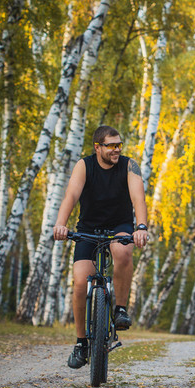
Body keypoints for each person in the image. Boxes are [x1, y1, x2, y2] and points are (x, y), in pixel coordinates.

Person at [53, 125, 149, 369]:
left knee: (122, 251)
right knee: (79, 281)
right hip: (88, 227)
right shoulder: (84, 166)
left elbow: (138, 197)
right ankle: (81, 343)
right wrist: (60, 224)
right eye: (111, 145)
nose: (116, 149)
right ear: (98, 147)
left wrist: (141, 226)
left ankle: (120, 310)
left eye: (119, 145)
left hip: (120, 225)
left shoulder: (129, 166)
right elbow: (71, 195)